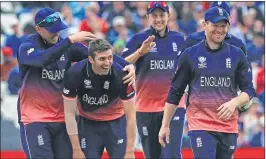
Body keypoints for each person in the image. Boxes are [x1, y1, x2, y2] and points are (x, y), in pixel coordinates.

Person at [17, 7, 135, 159]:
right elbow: (43, 59)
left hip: (62, 118)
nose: (56, 33)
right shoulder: (27, 47)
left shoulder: (67, 46)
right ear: (38, 29)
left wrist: (127, 64)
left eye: (58, 28)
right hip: (35, 118)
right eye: (51, 30)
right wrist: (70, 40)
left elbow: (97, 55)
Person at [159, 7, 255, 159]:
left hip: (228, 127)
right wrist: (165, 126)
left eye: (223, 25)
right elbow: (175, 92)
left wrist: (234, 103)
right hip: (200, 124)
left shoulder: (237, 55)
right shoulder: (190, 55)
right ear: (204, 25)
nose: (219, 30)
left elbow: (249, 90)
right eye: (215, 25)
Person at [122, 2, 185, 158]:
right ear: (148, 17)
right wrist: (140, 52)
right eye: (154, 15)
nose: (158, 19)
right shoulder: (138, 39)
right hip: (145, 109)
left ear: (168, 16)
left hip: (173, 107)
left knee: (171, 155)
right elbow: (121, 65)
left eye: (162, 15)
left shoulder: (179, 39)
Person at [62, 39, 136, 159]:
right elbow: (69, 113)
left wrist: (130, 151)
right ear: (90, 59)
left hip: (116, 124)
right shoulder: (74, 74)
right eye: (102, 59)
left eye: (110, 57)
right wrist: (76, 149)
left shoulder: (122, 75)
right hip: (88, 124)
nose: (107, 63)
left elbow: (131, 116)